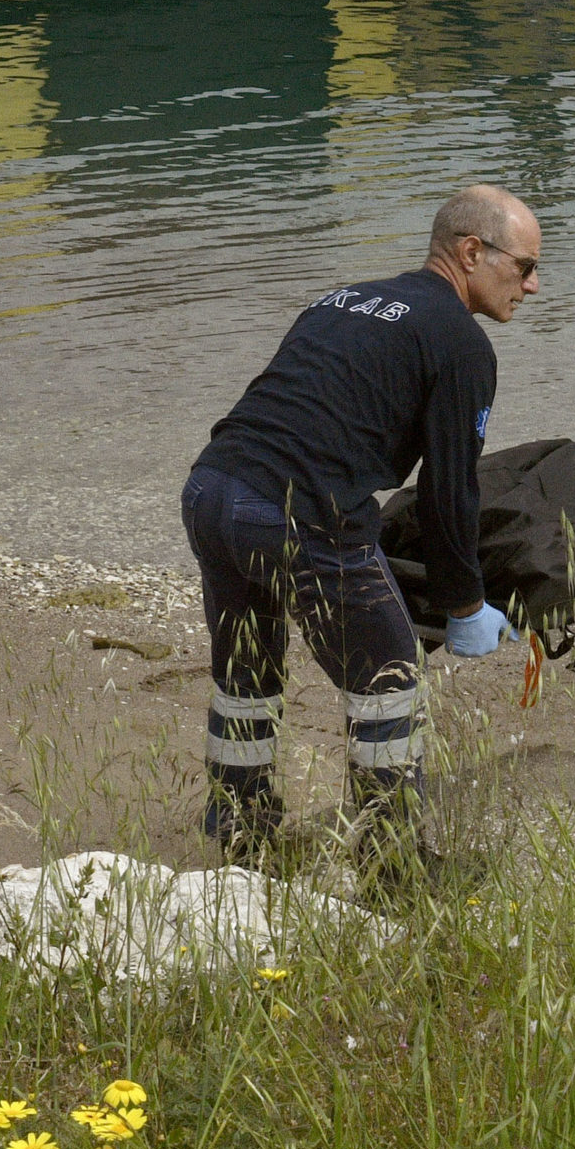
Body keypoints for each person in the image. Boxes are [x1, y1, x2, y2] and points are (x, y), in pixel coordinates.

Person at [182, 185, 539, 860]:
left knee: (247, 675)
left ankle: (239, 831)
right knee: (388, 685)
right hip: (301, 513)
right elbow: (448, 491)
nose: (534, 285)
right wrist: (466, 604)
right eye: (524, 267)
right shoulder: (461, 344)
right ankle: (394, 865)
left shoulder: (339, 299)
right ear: (472, 252)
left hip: (213, 487)